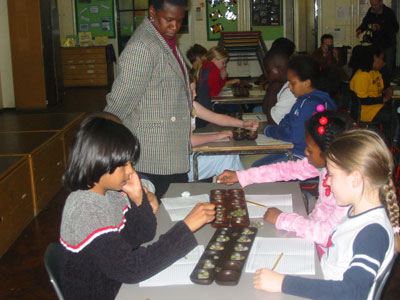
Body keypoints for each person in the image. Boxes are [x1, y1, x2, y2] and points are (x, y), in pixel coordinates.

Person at [59, 116, 215, 300]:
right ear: (101, 162)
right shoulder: (85, 210)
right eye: (124, 164)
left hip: (116, 286)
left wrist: (138, 198)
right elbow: (132, 269)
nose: (131, 171)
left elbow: (140, 235)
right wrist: (186, 227)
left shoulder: (107, 195)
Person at [253, 129, 400, 300]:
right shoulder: (355, 212)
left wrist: (283, 283)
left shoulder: (372, 233)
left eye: (331, 175)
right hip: (323, 280)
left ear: (355, 179)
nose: (327, 181)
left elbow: (353, 292)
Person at [217, 110, 353, 258]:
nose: (306, 153)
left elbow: (328, 234)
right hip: (310, 231)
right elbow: (288, 169)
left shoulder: (347, 191)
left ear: (329, 152)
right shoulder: (327, 166)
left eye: (310, 150)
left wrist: (282, 219)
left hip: (326, 252)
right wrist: (242, 175)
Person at [105, 0, 192, 200]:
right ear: (152, 11)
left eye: (179, 20)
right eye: (169, 20)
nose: (175, 27)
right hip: (153, 154)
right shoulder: (142, 47)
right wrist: (105, 148)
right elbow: (119, 104)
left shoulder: (163, 39)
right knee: (159, 215)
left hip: (169, 147)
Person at [251, 55, 337, 167]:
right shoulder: (309, 100)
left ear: (307, 82)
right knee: (258, 165)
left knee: (256, 168)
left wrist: (269, 130)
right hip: (301, 152)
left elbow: (294, 135)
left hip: (303, 157)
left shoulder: (309, 104)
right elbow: (287, 119)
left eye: (293, 83)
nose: (290, 87)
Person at [188, 78, 259, 181]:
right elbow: (187, 141)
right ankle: (240, 189)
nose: (195, 94)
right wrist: (216, 136)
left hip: (189, 155)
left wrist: (243, 124)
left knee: (229, 154)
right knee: (227, 156)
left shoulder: (192, 105)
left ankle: (235, 189)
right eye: (192, 91)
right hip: (180, 166)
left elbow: (216, 118)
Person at [349, 45, 394, 144]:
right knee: (392, 116)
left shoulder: (375, 73)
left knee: (393, 111)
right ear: (373, 59)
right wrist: (382, 99)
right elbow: (362, 100)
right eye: (381, 59)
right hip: (366, 111)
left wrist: (387, 92)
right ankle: (389, 144)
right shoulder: (362, 76)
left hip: (376, 107)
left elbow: (381, 88)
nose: (383, 62)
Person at [195, 46, 240, 127]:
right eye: (223, 62)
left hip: (199, 107)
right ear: (214, 59)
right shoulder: (213, 70)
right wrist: (223, 78)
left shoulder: (205, 66)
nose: (224, 65)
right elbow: (214, 92)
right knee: (235, 108)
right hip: (204, 109)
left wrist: (222, 78)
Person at [356, 0, 399, 85]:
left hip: (388, 43)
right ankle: (377, 83)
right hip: (376, 44)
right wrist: (360, 29)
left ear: (381, 3)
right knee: (375, 65)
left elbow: (395, 28)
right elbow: (366, 22)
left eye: (375, 5)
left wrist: (380, 27)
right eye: (372, 5)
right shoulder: (370, 11)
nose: (374, 7)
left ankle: (387, 84)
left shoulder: (389, 13)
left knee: (388, 65)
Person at [261, 49, 297, 125]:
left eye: (268, 71)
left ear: (280, 70)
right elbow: (265, 110)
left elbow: (273, 121)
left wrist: (273, 90)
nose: (267, 75)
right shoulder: (285, 83)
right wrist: (271, 87)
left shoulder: (292, 90)